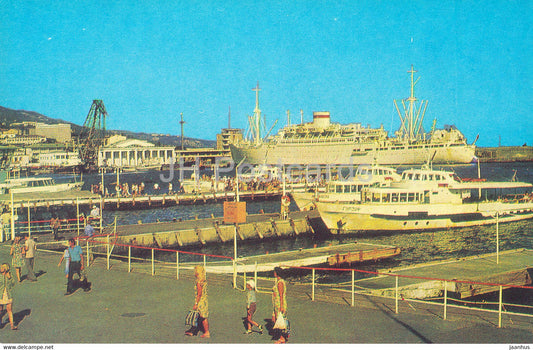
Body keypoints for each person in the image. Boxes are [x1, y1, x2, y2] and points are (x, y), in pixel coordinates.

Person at [185, 265, 210, 338]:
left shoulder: (199, 282)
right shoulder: (204, 280)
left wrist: (196, 303)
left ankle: (206, 332)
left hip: (201, 301)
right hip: (205, 300)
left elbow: (199, 294)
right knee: (199, 316)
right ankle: (193, 330)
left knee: (201, 317)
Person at [272, 267, 288, 343]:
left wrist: (281, 306)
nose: (273, 273)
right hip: (276, 303)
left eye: (274, 272)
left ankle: (282, 338)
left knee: (280, 321)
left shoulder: (280, 282)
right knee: (277, 320)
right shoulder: (278, 281)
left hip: (279, 304)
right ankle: (282, 336)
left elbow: (281, 295)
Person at [0, 263, 17, 330]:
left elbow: (13, 284)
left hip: (8, 295)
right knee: (0, 310)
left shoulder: (9, 275)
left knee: (9, 310)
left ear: (5, 269)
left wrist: (9, 278)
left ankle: (12, 325)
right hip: (0, 296)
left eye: (1, 267)